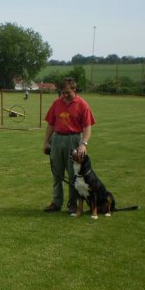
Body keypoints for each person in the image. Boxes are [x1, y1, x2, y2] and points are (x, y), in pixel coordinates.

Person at [43, 77, 96, 213]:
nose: (65, 95)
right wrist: (46, 142)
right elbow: (51, 124)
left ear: (74, 89)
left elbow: (87, 127)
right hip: (57, 140)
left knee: (74, 175)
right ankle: (56, 202)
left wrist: (83, 144)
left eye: (68, 92)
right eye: (62, 92)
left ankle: (73, 205)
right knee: (57, 174)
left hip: (74, 140)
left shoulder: (82, 104)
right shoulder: (56, 103)